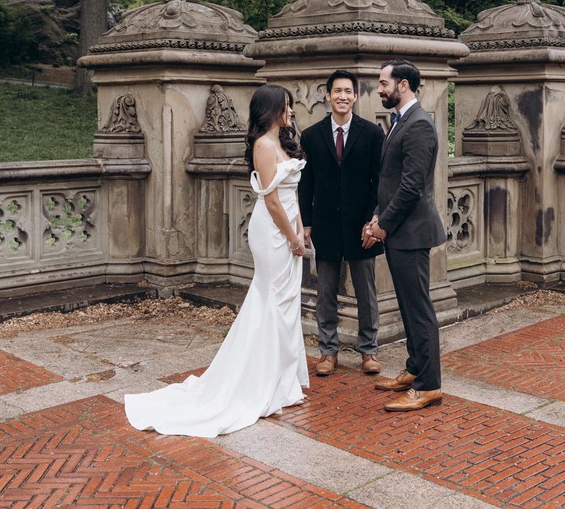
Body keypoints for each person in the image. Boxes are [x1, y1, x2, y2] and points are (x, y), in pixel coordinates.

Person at [124, 84, 309, 437]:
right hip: (271, 233)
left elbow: (292, 195)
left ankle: (284, 382)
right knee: (271, 301)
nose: (291, 111)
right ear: (271, 109)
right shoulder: (263, 146)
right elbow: (271, 202)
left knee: (287, 304)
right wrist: (290, 238)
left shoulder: (284, 143)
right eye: (286, 106)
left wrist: (301, 231)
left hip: (288, 228)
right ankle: (260, 383)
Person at [362, 60, 446, 412]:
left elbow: (412, 187)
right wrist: (379, 214)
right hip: (399, 230)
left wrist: (382, 225)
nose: (379, 89)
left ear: (405, 85)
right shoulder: (400, 121)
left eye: (384, 83)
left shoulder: (419, 125)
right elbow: (393, 181)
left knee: (419, 309)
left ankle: (429, 386)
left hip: (411, 232)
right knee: (410, 308)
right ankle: (414, 370)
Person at [299, 70, 385, 377]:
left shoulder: (373, 134)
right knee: (326, 292)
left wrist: (373, 220)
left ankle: (369, 350)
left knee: (366, 292)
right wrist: (306, 224)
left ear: (355, 96)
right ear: (328, 95)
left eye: (348, 91)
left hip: (362, 226)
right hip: (325, 225)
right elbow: (305, 184)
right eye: (337, 91)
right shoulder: (310, 135)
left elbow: (380, 182)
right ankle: (327, 350)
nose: (343, 96)